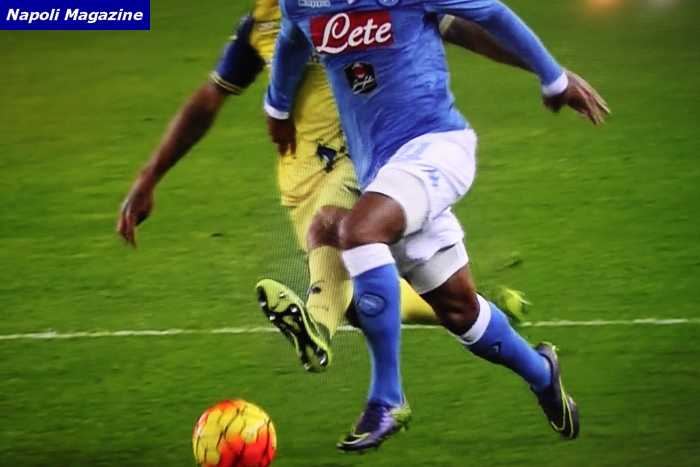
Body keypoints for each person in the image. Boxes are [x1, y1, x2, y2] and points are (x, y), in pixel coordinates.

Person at [115, 0, 550, 370]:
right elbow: (211, 97)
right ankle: (472, 307)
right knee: (357, 297)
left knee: (339, 247)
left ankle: (320, 325)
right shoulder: (264, 22)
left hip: (363, 154)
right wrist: (149, 177)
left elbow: (460, 25)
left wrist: (544, 70)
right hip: (303, 171)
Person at [264, 0, 609, 452]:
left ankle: (387, 398)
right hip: (383, 172)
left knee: (358, 231)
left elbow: (490, 13)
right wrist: (277, 106)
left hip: (437, 147)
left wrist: (554, 78)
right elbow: (291, 40)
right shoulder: (302, 3)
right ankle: (543, 373)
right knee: (460, 311)